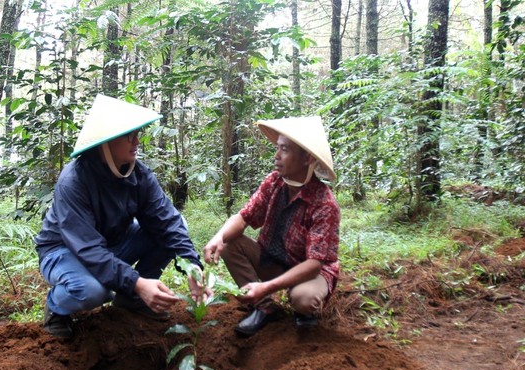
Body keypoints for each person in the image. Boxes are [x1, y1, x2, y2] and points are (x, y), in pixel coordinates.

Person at [35, 94, 209, 339]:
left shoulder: (139, 174)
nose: (137, 141)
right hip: (65, 250)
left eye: (137, 134)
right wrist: (137, 282)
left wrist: (192, 266)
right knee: (92, 291)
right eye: (129, 136)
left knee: (178, 225)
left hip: (111, 242)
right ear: (107, 142)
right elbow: (88, 248)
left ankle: (131, 300)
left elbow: (167, 221)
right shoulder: (74, 181)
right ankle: (56, 309)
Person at [203, 116, 340, 337]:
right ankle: (265, 307)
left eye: (284, 150)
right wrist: (219, 237)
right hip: (273, 259)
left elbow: (314, 264)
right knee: (229, 243)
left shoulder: (324, 203)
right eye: (277, 148)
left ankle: (305, 318)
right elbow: (244, 217)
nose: (276, 156)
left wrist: (266, 286)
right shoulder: (274, 183)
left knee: (303, 300)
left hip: (308, 273)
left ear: (307, 158)